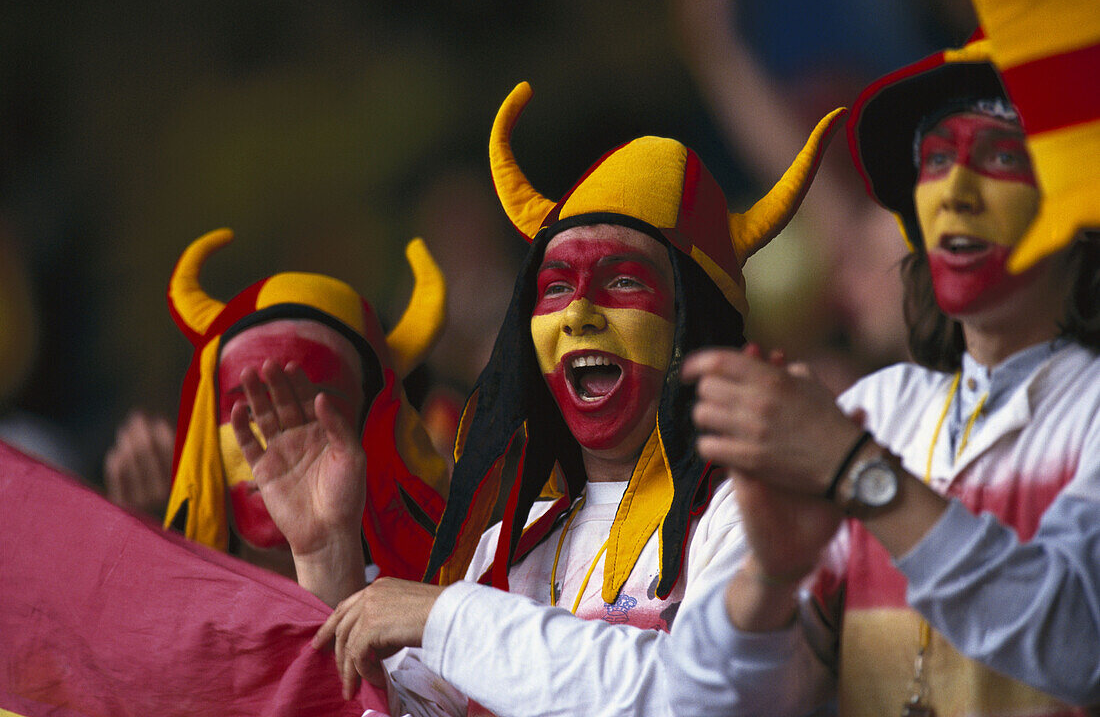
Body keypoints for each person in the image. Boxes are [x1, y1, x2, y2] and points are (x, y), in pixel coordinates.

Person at [234, 81, 844, 714]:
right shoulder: (508, 547)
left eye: (623, 280)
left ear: (696, 326)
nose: (578, 313)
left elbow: (695, 697)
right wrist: (328, 552)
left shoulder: (757, 512)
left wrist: (451, 617)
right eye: (556, 288)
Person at [673, 38, 1100, 715]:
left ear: (1080, 203)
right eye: (935, 159)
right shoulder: (879, 408)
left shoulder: (1090, 411)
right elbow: (704, 699)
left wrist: (861, 475)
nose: (955, 190)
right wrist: (769, 577)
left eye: (1001, 156)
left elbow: (1081, 645)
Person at [162, 227, 449, 603]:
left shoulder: (442, 617)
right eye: (249, 408)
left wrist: (328, 562)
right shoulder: (157, 616)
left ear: (373, 425)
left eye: (314, 404)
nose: (278, 433)